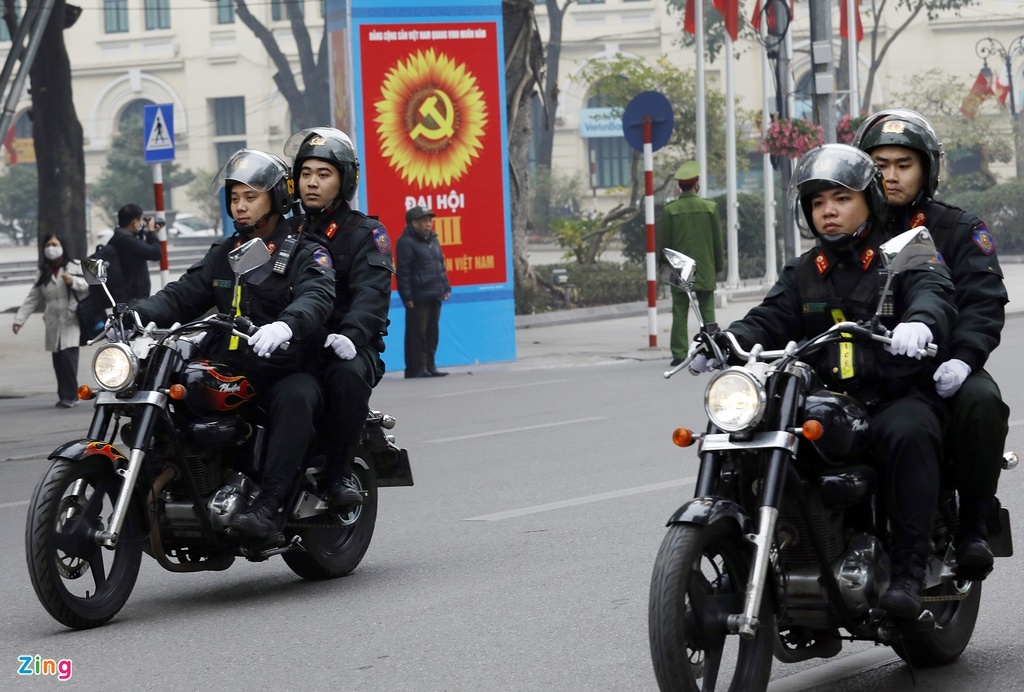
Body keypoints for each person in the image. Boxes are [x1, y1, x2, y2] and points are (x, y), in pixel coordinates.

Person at [690, 144, 956, 621]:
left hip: (891, 395)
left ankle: (910, 571)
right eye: (817, 202)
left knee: (908, 432)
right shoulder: (803, 272)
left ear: (869, 201)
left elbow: (933, 292)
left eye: (841, 198)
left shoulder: (905, 253)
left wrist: (920, 323)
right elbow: (768, 320)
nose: (828, 211)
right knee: (747, 431)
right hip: (825, 399)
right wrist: (724, 341)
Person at [131, 149, 336, 539]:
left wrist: (285, 326)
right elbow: (181, 295)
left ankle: (269, 505)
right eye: (234, 198)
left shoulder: (305, 251)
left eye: (250, 197)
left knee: (296, 397)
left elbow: (316, 296)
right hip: (232, 365)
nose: (239, 207)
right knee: (174, 385)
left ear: (276, 198)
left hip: (285, 367)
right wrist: (137, 314)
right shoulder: (225, 254)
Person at [854, 109, 1010, 580]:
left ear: (926, 169)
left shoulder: (957, 229)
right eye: (879, 165)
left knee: (982, 402)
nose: (891, 176)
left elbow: (983, 302)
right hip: (868, 368)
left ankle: (975, 524)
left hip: (941, 367)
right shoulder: (850, 228)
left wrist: (962, 361)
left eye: (904, 164)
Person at [283, 127, 394, 509]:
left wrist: (352, 333)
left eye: (324, 174)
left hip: (346, 346)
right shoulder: (284, 231)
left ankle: (338, 473)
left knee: (345, 375)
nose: (312, 183)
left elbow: (373, 293)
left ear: (344, 180)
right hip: (293, 342)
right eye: (306, 173)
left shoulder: (365, 233)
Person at [656, 160, 724, 366]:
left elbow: (664, 244)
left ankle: (679, 354)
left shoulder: (670, 211)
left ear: (680, 186)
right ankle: (712, 348)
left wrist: (663, 267)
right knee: (707, 310)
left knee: (679, 310)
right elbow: (717, 243)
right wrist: (718, 266)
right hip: (705, 267)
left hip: (679, 268)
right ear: (697, 184)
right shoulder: (710, 208)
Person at [12, 234, 90, 408]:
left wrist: (74, 281)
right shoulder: (44, 271)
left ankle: (70, 396)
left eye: (54, 243)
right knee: (59, 362)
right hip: (53, 321)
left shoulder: (75, 266)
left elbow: (92, 287)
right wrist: (19, 320)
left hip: (71, 319)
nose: (50, 247)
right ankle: (65, 395)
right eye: (47, 244)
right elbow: (33, 298)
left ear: (63, 245)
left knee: (68, 359)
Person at [396, 205, 451, 379]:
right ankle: (416, 368)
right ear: (414, 223)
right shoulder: (405, 242)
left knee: (432, 333)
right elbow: (403, 272)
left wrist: (445, 287)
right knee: (417, 334)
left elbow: (439, 266)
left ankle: (430, 366)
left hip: (435, 293)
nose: (428, 224)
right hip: (418, 296)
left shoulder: (433, 240)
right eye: (424, 221)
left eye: (429, 220)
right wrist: (407, 297)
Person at [108, 203, 161, 305]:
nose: (142, 223)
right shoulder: (127, 240)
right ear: (134, 222)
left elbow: (141, 249)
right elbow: (156, 253)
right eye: (141, 220)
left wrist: (148, 233)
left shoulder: (118, 238)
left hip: (128, 296)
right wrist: (152, 233)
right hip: (134, 298)